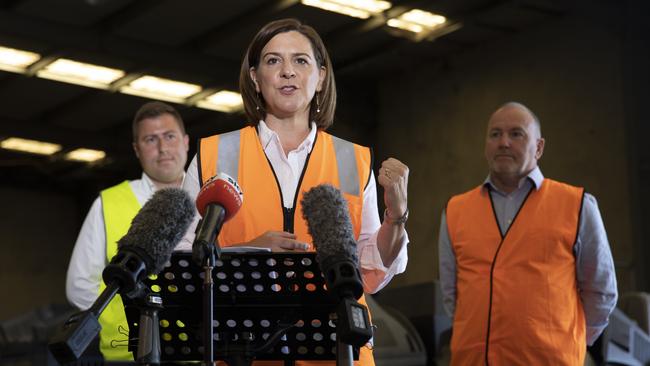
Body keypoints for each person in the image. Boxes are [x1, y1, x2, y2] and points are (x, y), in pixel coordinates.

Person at [179, 18, 409, 365]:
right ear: (256, 78)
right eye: (273, 60)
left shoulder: (351, 158)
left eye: (300, 60)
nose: (287, 71)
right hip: (245, 351)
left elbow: (370, 270)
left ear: (320, 77)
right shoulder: (214, 155)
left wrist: (397, 218)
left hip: (337, 353)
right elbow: (182, 263)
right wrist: (250, 252)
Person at [438, 102, 618, 365]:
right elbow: (451, 295)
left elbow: (601, 290)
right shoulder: (455, 210)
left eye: (516, 134)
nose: (504, 142)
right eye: (495, 134)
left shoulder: (577, 204)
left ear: (539, 147)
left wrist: (570, 339)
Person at [66, 101, 189, 361]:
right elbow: (78, 285)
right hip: (127, 354)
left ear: (186, 141)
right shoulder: (108, 203)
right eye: (150, 139)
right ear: (137, 149)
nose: (163, 148)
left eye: (169, 136)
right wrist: (127, 314)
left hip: (200, 355)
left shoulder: (211, 202)